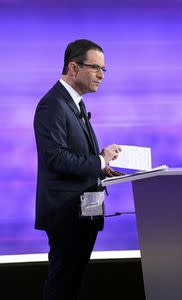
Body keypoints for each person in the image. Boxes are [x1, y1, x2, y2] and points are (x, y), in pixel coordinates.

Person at [34, 39, 123, 299]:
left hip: (82, 213)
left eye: (104, 70)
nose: (101, 76)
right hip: (67, 215)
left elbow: (72, 155)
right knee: (62, 285)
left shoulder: (73, 103)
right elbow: (56, 159)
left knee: (71, 285)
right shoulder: (53, 105)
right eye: (95, 68)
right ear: (73, 68)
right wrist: (100, 161)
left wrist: (100, 167)